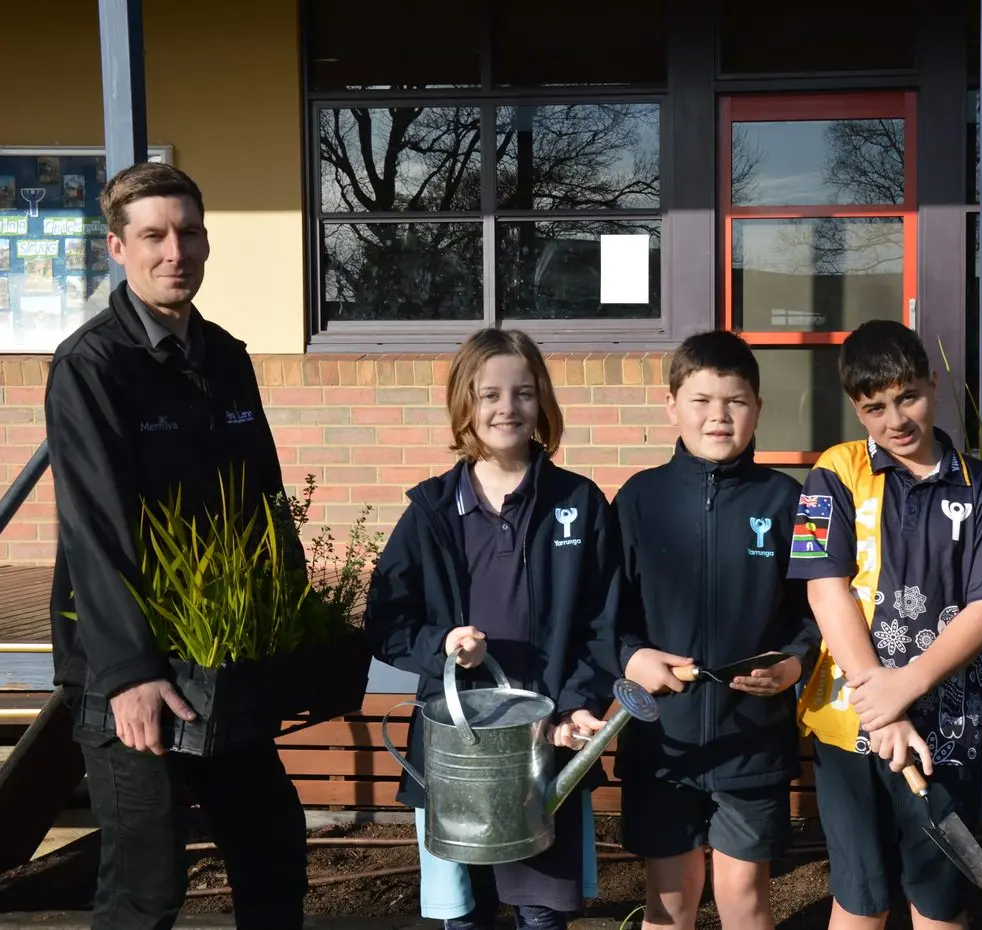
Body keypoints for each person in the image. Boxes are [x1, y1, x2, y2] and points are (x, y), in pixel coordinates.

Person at [45, 162, 308, 929]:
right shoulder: (93, 365)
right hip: (126, 665)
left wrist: (284, 631)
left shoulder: (225, 357)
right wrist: (129, 673)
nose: (175, 251)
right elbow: (93, 528)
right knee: (147, 881)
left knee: (272, 850)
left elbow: (264, 504)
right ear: (117, 249)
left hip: (221, 655)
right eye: (154, 235)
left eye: (188, 233)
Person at [364, 327, 620, 930]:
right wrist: (442, 647)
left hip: (545, 743)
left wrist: (577, 706)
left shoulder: (580, 503)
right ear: (463, 404)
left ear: (543, 402)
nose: (508, 408)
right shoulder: (430, 511)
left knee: (541, 913)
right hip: (459, 751)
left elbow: (606, 622)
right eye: (489, 395)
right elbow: (386, 619)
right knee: (465, 914)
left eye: (524, 392)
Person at [787, 320, 982, 930]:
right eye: (875, 407)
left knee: (939, 902)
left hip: (950, 726)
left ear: (933, 383)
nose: (896, 420)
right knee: (861, 899)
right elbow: (824, 589)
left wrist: (910, 685)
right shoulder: (831, 475)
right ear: (856, 408)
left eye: (908, 397)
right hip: (852, 721)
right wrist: (883, 703)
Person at [612, 330, 820, 930]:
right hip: (662, 738)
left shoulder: (794, 502)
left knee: (746, 898)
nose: (719, 416)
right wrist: (631, 658)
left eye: (736, 401)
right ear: (671, 405)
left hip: (752, 738)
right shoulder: (637, 500)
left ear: (758, 408)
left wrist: (795, 662)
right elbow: (606, 613)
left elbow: (816, 610)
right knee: (670, 902)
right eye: (701, 400)